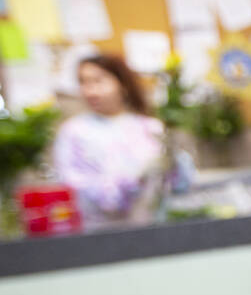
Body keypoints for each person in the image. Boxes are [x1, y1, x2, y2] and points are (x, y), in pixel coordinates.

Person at [52, 54, 166, 228]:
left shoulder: (150, 127)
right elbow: (69, 182)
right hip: (98, 230)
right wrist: (110, 191)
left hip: (150, 226)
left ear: (122, 83)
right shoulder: (74, 131)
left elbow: (166, 180)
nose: (90, 91)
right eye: (83, 82)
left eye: (98, 81)